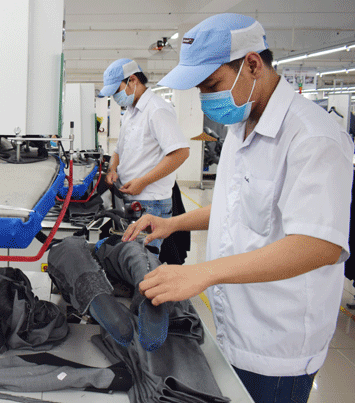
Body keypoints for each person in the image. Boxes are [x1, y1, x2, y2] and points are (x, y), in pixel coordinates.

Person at [122, 13, 353, 403]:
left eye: (211, 85)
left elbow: (320, 245)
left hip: (277, 344)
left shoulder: (312, 137)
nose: (205, 99)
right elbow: (236, 205)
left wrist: (203, 274)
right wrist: (171, 222)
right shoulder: (240, 129)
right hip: (234, 327)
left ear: (252, 64)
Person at [97, 58, 189, 253]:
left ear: (132, 80)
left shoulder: (157, 110)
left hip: (150, 203)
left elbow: (180, 153)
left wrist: (144, 181)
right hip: (130, 198)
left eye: (116, 91)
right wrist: (112, 169)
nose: (115, 97)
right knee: (130, 260)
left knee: (143, 263)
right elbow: (118, 150)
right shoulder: (130, 112)